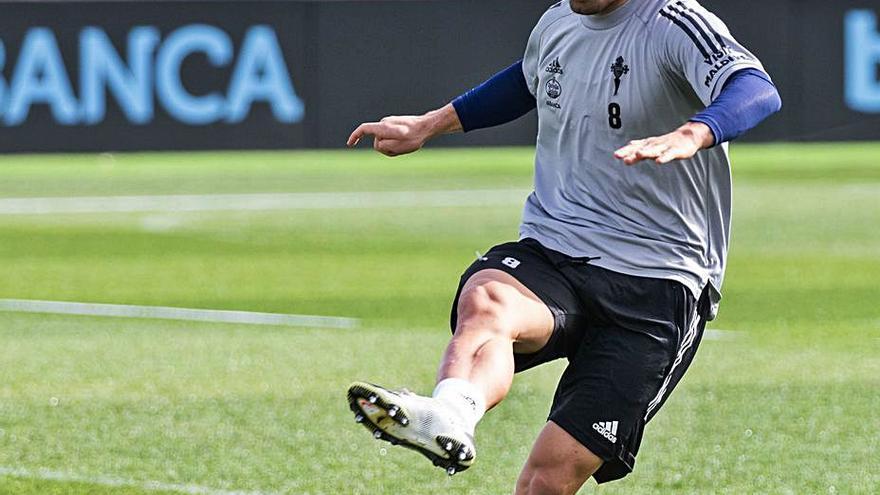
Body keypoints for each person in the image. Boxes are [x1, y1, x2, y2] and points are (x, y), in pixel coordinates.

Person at [345, 0, 782, 492]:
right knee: (488, 299)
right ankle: (450, 412)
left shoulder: (673, 21)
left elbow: (755, 88)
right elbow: (528, 80)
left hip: (659, 278)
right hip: (558, 245)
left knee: (545, 481)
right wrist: (429, 124)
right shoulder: (557, 21)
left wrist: (693, 132)